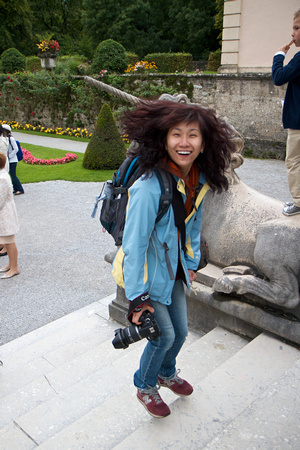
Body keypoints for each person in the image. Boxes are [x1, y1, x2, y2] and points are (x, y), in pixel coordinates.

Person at [112, 100, 235, 418]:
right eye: (176, 134)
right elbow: (134, 246)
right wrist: (137, 299)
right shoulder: (149, 188)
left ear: (204, 141)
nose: (184, 142)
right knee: (163, 334)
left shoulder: (198, 179)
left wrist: (191, 264)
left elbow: (193, 226)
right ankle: (145, 385)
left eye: (192, 134)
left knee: (180, 332)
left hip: (176, 272)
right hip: (149, 278)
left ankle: (166, 374)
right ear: (164, 140)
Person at [272, 8, 300, 216]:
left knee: (294, 161)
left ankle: (298, 202)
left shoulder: (299, 58)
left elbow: (279, 77)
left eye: (297, 28)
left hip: (298, 122)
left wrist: (279, 55)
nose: (293, 33)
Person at [0, 152, 20, 279]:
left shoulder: (2, 178)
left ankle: (14, 267)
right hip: (4, 212)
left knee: (10, 241)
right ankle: (10, 264)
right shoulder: (2, 175)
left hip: (5, 213)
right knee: (6, 241)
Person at [2, 124, 24, 196]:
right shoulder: (6, 138)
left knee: (13, 175)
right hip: (10, 159)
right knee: (11, 174)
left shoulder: (11, 138)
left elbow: (16, 149)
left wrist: (9, 156)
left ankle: (20, 189)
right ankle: (15, 188)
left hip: (13, 160)